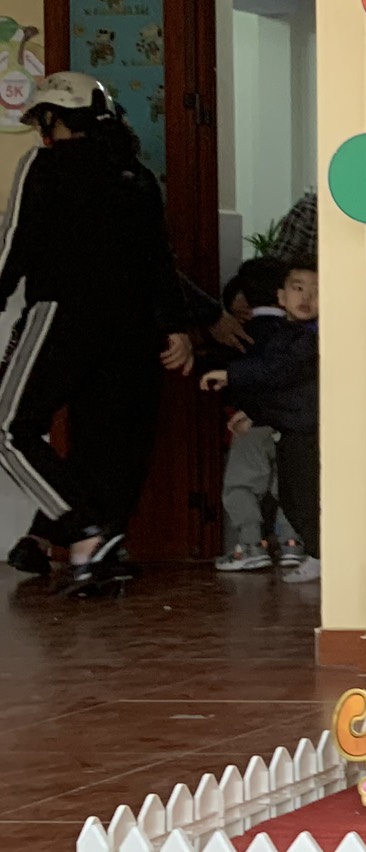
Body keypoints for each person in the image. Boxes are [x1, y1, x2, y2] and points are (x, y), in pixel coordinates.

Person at [0, 74, 235, 594]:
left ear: (53, 119)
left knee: (9, 428)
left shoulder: (42, 164)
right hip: (133, 330)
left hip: (61, 316)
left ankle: (85, 532)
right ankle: (96, 556)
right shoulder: (137, 176)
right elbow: (158, 261)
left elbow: (14, 246)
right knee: (105, 446)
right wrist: (176, 328)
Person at [198, 257, 319, 584]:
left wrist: (231, 375)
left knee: (274, 489)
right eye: (298, 288)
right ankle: (298, 546)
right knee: (289, 494)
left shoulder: (309, 338)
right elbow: (281, 385)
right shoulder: (287, 333)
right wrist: (254, 414)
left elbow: (276, 372)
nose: (306, 297)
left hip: (300, 431)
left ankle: (261, 546)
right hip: (283, 427)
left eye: (316, 290)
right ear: (281, 296)